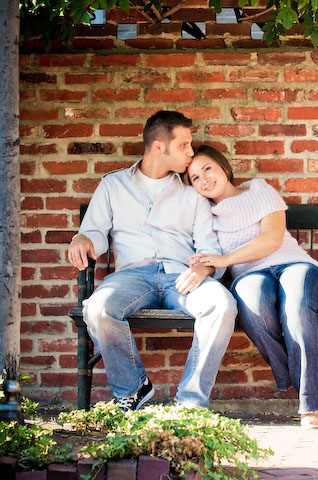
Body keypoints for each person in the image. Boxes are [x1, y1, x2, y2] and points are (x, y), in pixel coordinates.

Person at [67, 111, 237, 411]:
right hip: (132, 277)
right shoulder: (113, 185)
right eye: (184, 144)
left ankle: (191, 401)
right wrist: (81, 238)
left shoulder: (192, 191)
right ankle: (132, 389)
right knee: (97, 308)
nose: (191, 152)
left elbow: (209, 247)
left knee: (222, 304)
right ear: (159, 147)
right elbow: (93, 231)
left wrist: (203, 268)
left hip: (181, 276)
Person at [186, 145, 318, 429]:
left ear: (223, 167)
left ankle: (310, 404)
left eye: (207, 169)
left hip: (294, 264)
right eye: (193, 178)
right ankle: (302, 374)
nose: (203, 179)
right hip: (250, 274)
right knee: (251, 306)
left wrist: (225, 258)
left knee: (296, 306)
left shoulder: (258, 189)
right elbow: (207, 255)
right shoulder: (204, 216)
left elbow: (272, 239)